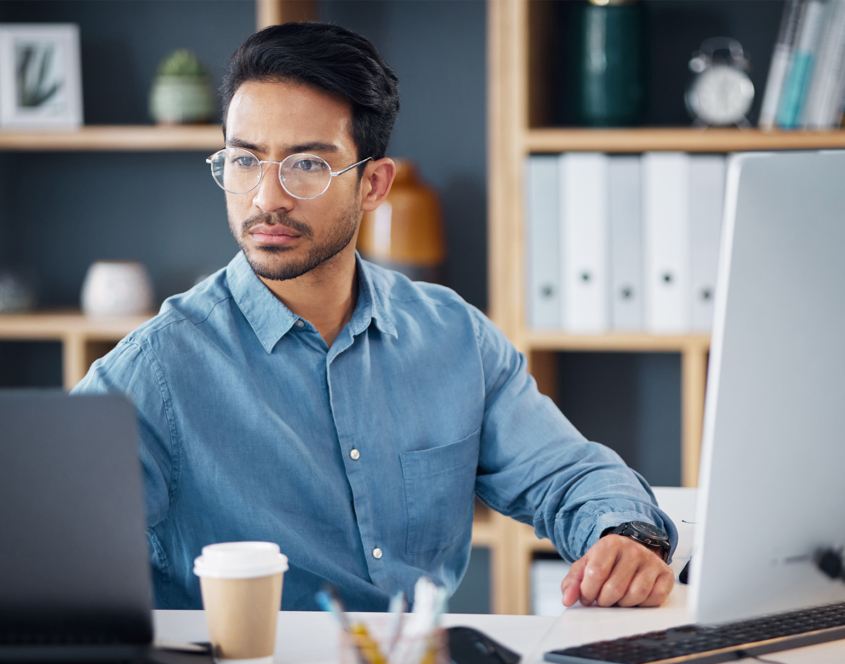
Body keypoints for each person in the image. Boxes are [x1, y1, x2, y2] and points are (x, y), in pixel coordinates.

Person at [73, 22, 677, 612]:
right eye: (245, 160)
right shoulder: (153, 372)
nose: (266, 198)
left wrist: (626, 538)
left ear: (373, 185)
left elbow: (569, 475)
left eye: (307, 164)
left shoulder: (453, 336)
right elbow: (40, 534)